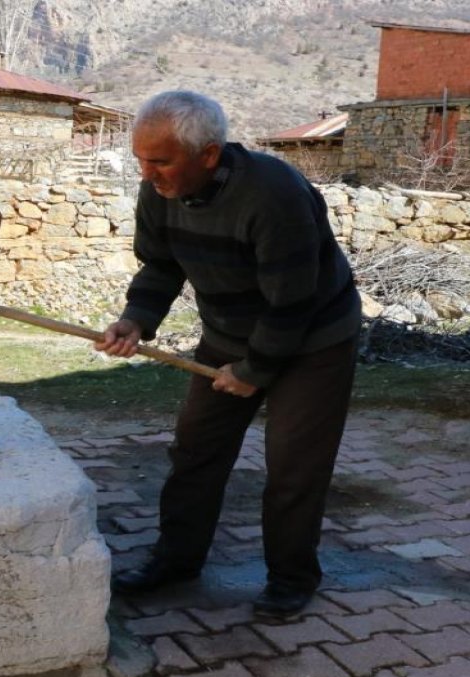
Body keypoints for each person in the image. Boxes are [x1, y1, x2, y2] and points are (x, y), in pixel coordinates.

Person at [95, 90, 361, 618]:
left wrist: (255, 371)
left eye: (161, 161)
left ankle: (291, 578)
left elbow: (294, 301)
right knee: (196, 450)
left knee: (293, 465)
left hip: (313, 340)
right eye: (141, 161)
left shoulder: (273, 192)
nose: (148, 174)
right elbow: (160, 267)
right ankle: (177, 560)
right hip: (227, 333)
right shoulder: (160, 192)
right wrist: (137, 321)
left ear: (209, 154)